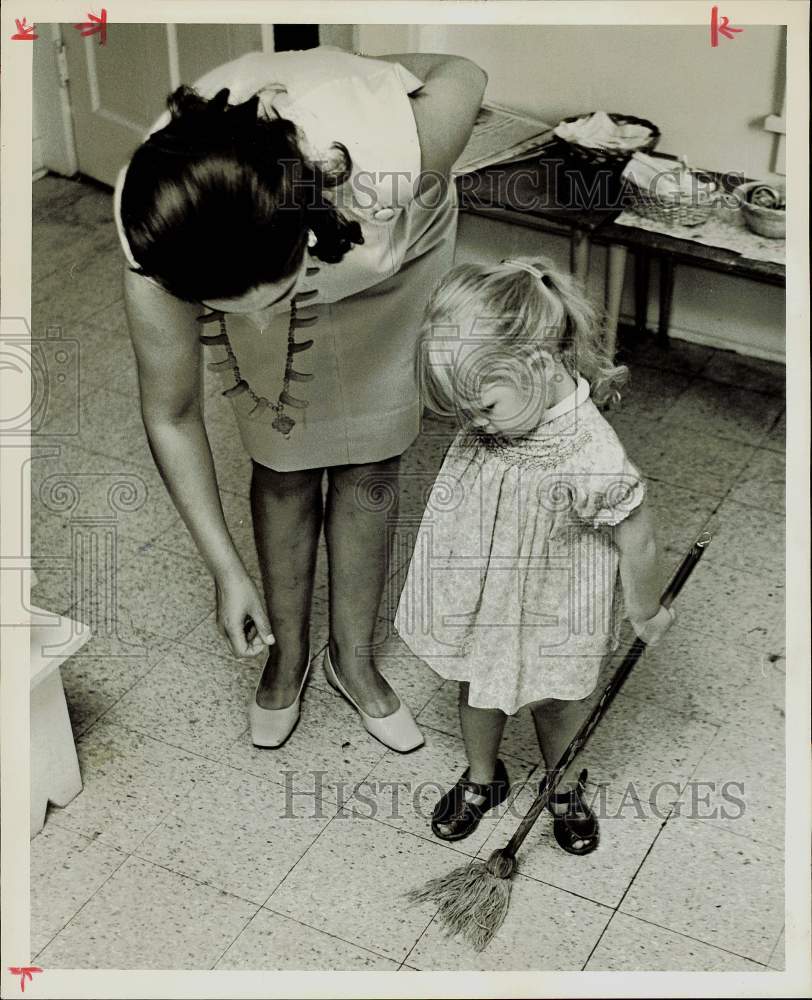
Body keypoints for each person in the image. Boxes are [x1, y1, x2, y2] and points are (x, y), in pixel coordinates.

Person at [116, 47, 487, 751]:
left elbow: (463, 69)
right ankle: (289, 655)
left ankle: (354, 660)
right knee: (283, 460)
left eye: (275, 298)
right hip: (255, 252)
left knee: (374, 459)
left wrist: (365, 66)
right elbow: (171, 412)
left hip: (394, 258)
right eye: (226, 310)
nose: (251, 322)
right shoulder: (160, 227)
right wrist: (225, 573)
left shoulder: (392, 152)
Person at [393, 255, 675, 852]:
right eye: (464, 412)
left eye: (482, 408)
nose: (474, 424)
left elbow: (638, 536)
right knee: (478, 686)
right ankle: (482, 777)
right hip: (487, 584)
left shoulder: (589, 451)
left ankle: (565, 785)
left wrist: (646, 609)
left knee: (557, 698)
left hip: (555, 598)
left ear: (537, 365)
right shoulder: (500, 413)